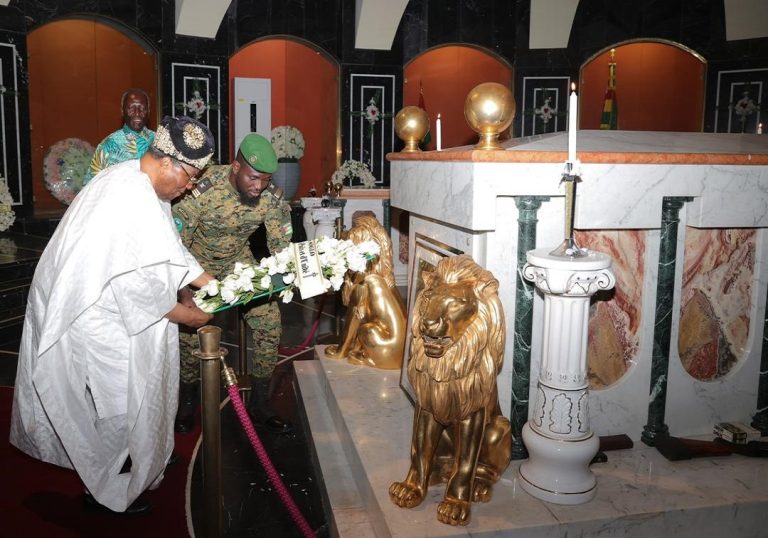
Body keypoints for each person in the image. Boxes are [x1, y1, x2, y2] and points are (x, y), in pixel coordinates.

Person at [10, 116, 216, 515]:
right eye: (190, 177)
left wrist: (207, 281)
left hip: (116, 308)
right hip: (97, 316)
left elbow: (166, 248)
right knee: (118, 401)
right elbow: (134, 286)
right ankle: (104, 487)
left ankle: (142, 452)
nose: (189, 188)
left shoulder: (140, 182)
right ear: (167, 163)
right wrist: (189, 317)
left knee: (133, 394)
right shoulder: (127, 196)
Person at [173, 133, 293, 435]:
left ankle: (260, 403)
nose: (259, 186)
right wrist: (185, 295)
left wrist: (291, 274)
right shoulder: (203, 189)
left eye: (265, 180)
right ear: (236, 167)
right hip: (195, 266)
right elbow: (175, 248)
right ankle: (187, 401)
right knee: (190, 333)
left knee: (269, 321)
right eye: (253, 177)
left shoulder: (270, 197)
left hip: (238, 262)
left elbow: (281, 246)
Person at [84, 88, 155, 185]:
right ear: (122, 111)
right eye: (131, 109)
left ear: (148, 111)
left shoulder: (158, 142)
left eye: (142, 108)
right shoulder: (109, 145)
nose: (137, 113)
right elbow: (90, 185)